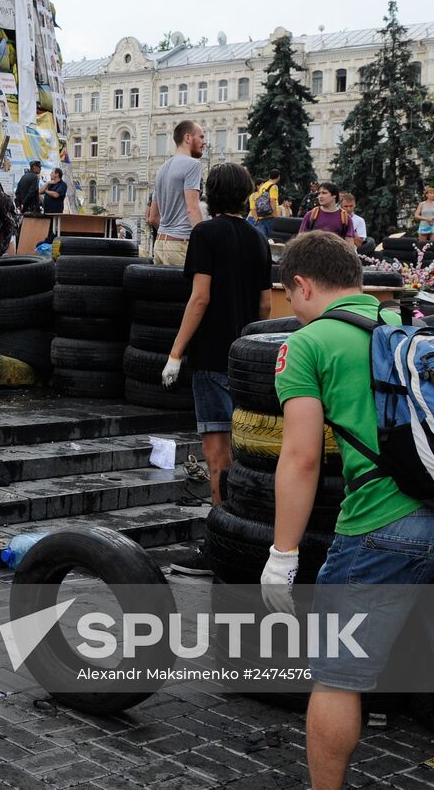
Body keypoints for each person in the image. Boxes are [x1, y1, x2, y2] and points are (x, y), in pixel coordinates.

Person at [265, 231, 434, 790]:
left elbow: (302, 459)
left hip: (386, 526)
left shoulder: (308, 344)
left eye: (290, 294)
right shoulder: (420, 332)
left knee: (337, 681)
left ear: (302, 285)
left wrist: (283, 554)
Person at [163, 163, 271, 575]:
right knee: (247, 455)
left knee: (217, 457)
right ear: (245, 195)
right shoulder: (258, 239)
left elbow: (200, 298)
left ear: (209, 194)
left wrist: (175, 353)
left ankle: (219, 546)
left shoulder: (205, 234)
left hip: (211, 359)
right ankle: (245, 540)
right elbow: (264, 307)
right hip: (248, 361)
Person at [146, 120, 204, 265]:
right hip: (181, 245)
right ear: (188, 138)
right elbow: (192, 209)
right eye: (201, 137)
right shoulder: (193, 165)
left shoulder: (161, 169)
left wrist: (169, 234)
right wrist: (206, 240)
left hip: (160, 245)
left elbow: (153, 217)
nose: (204, 142)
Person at [248, 169, 282, 239]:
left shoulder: (264, 186)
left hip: (262, 215)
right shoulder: (273, 186)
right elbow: (272, 201)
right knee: (272, 240)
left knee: (263, 239)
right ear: (278, 177)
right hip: (271, 216)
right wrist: (275, 215)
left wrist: (257, 219)